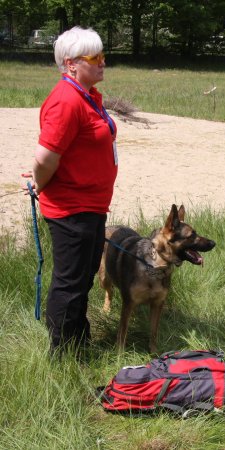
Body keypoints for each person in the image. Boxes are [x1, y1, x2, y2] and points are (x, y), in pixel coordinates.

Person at [23, 26, 118, 355]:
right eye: (95, 57)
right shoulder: (65, 100)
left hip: (91, 205)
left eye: (103, 55)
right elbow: (45, 158)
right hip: (71, 208)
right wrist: (40, 183)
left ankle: (80, 342)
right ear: (70, 64)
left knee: (83, 278)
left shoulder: (87, 95)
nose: (103, 62)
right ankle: (62, 356)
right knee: (70, 282)